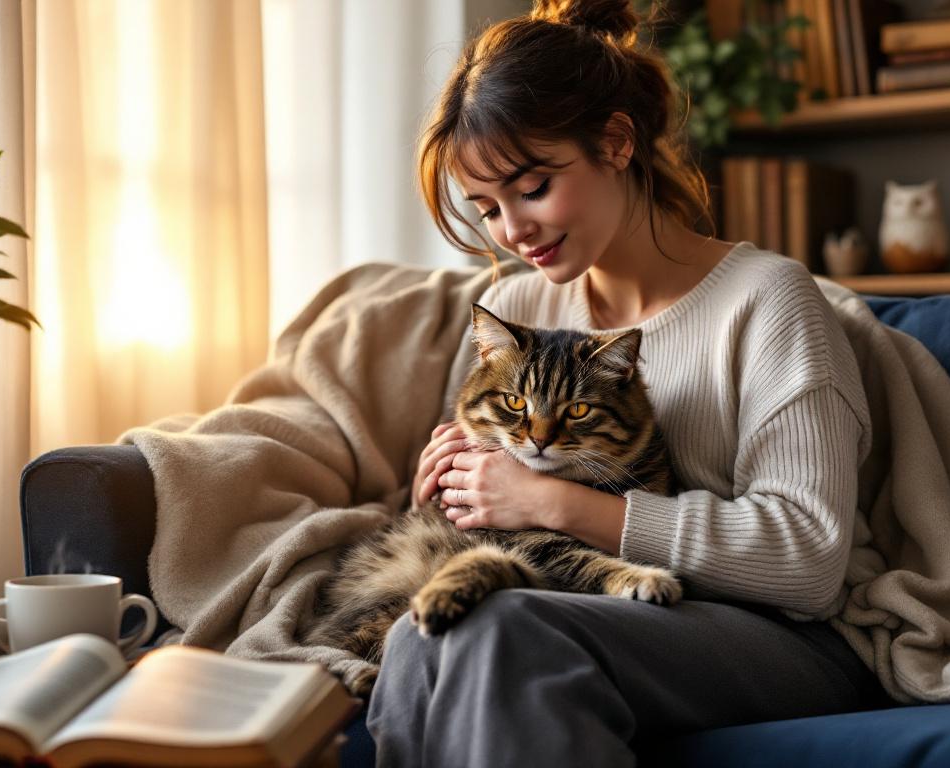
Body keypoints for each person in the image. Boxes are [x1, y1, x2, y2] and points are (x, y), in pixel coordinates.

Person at [365, 0, 887, 764]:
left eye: (533, 186)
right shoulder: (512, 306)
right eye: (488, 208)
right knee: (423, 638)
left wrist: (556, 502)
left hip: (779, 635)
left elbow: (807, 561)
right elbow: (490, 511)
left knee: (506, 631)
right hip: (572, 598)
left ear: (615, 142)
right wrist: (443, 491)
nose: (512, 230)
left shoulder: (768, 300)